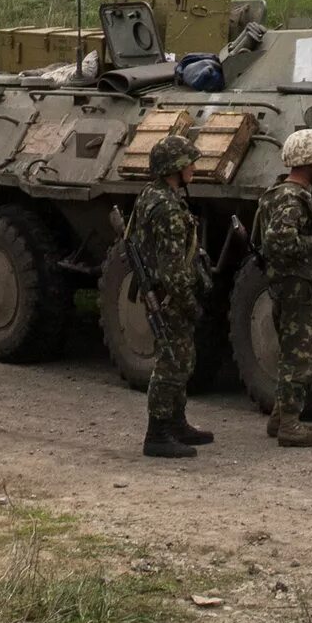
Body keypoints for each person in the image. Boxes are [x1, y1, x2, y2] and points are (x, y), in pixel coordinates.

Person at [125, 124, 215, 459]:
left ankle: (176, 423)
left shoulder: (153, 195)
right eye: (189, 162)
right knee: (174, 363)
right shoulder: (167, 209)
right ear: (173, 168)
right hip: (170, 296)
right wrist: (189, 303)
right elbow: (174, 268)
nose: (194, 167)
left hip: (163, 292)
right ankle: (158, 433)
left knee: (181, 359)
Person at [253, 125, 312, 448]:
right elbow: (281, 244)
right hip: (297, 286)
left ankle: (280, 417)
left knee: (297, 352)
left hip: (290, 285)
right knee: (301, 357)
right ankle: (290, 425)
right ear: (308, 162)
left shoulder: (287, 192)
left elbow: (308, 197)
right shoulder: (291, 201)